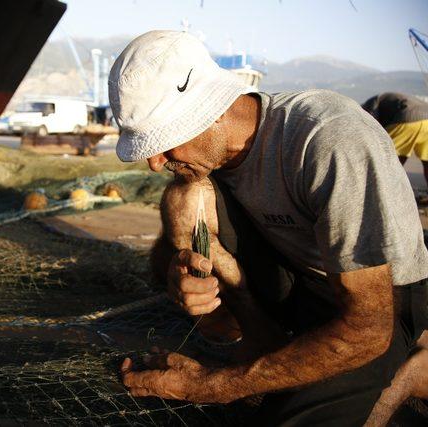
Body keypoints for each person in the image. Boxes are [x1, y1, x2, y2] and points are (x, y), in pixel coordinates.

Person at [109, 31, 428, 426]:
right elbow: (172, 252)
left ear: (213, 110)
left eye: (164, 140)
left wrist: (215, 385)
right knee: (183, 197)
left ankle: (411, 363)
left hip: (379, 301)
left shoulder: (328, 139)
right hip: (301, 277)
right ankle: (263, 345)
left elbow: (366, 328)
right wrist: (183, 273)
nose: (154, 162)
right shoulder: (211, 159)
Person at [362, 92, 428, 192]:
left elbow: (369, 125)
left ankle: (383, 191)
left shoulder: (367, 106)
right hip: (426, 119)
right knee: (426, 161)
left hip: (407, 117)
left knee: (385, 158)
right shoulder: (386, 99)